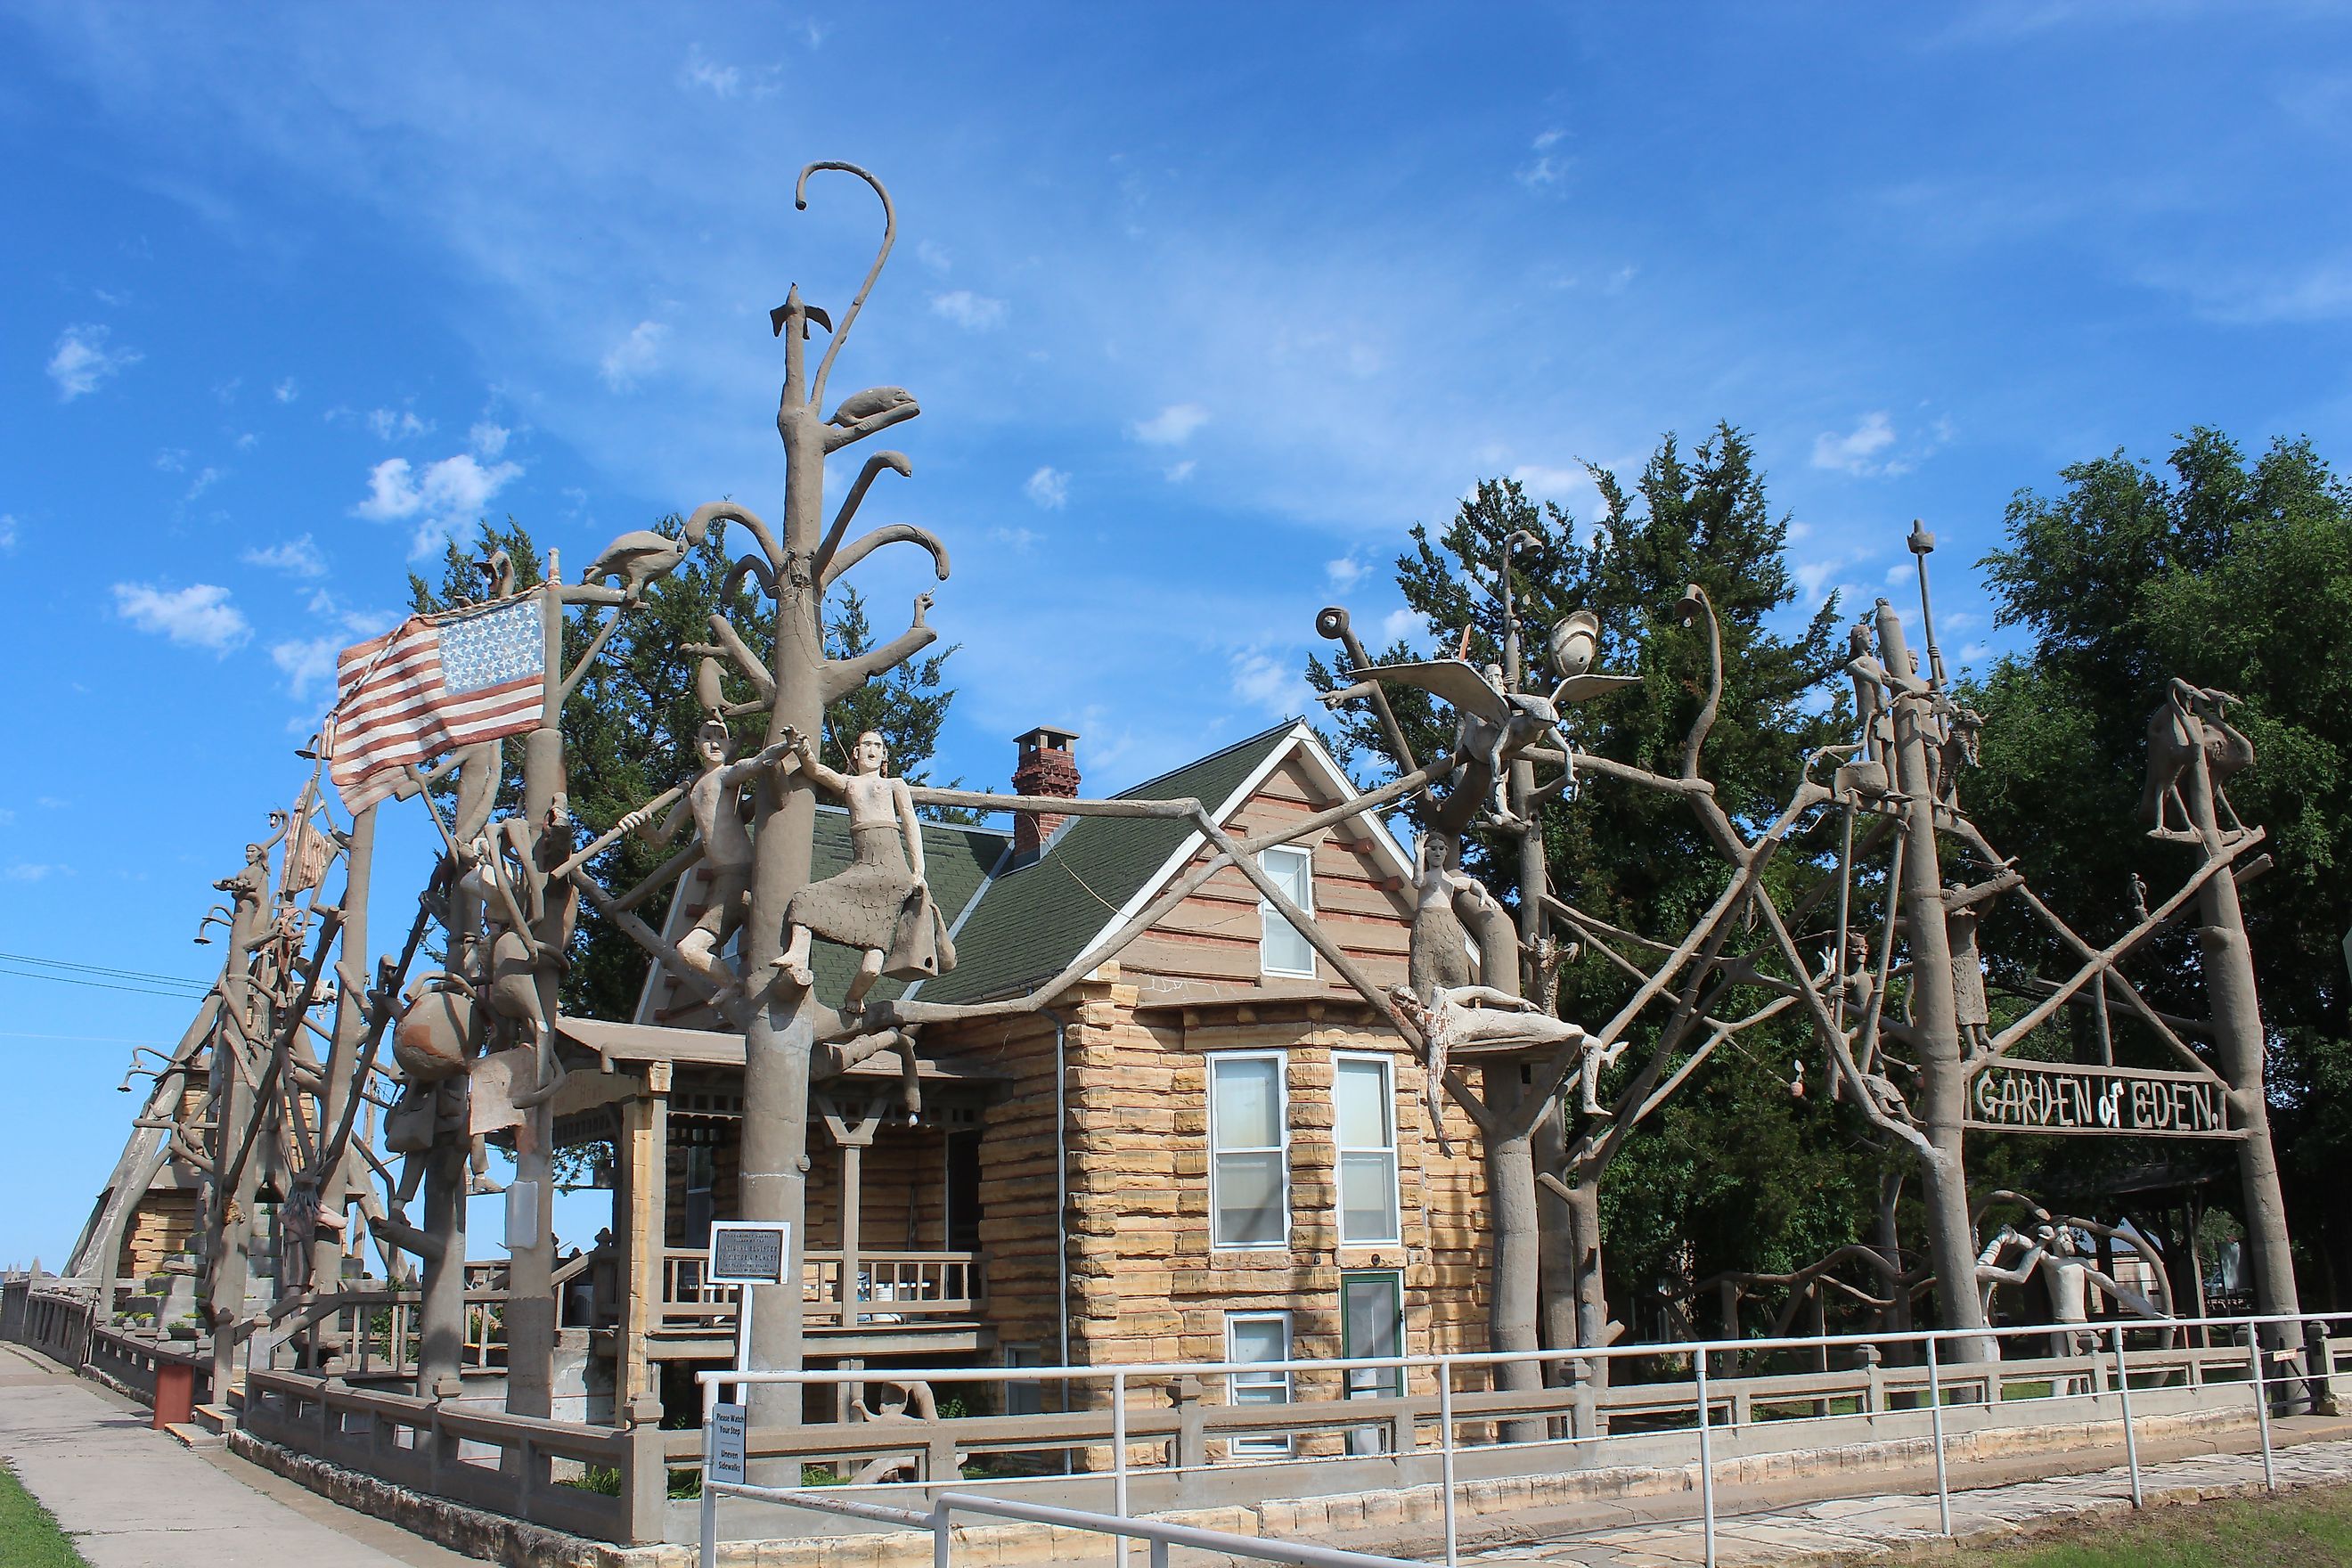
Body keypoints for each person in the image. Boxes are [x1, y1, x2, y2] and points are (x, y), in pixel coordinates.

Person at [617, 717, 796, 1005]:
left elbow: (755, 764)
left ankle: (739, 983)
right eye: (706, 737)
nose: (713, 743)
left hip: (740, 875)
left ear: (729, 744)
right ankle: (734, 983)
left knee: (692, 948)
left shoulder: (725, 776)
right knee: (694, 950)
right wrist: (641, 825)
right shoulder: (694, 793)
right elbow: (659, 839)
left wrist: (784, 747)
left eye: (720, 737)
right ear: (696, 744)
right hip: (723, 881)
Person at [776, 729, 955, 1009]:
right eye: (866, 744)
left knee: (873, 964)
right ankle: (798, 954)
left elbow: (911, 824)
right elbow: (815, 769)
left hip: (893, 873)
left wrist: (919, 869)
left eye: (878, 745)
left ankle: (854, 997)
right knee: (806, 896)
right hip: (861, 869)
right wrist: (802, 749)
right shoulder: (848, 784)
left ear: (884, 754)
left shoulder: (895, 784)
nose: (872, 749)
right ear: (856, 753)